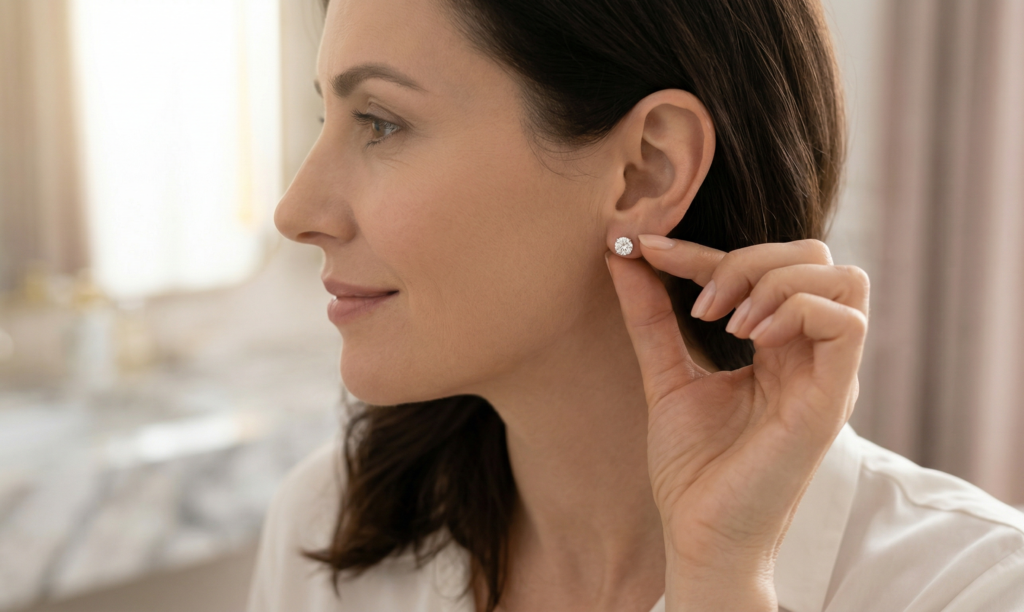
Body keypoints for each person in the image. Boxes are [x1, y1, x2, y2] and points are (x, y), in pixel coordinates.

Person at [249, 0, 1024, 610]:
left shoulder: (974, 591)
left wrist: (722, 578)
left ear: (647, 171)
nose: (296, 211)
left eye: (381, 123)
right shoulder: (328, 524)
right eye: (329, 118)